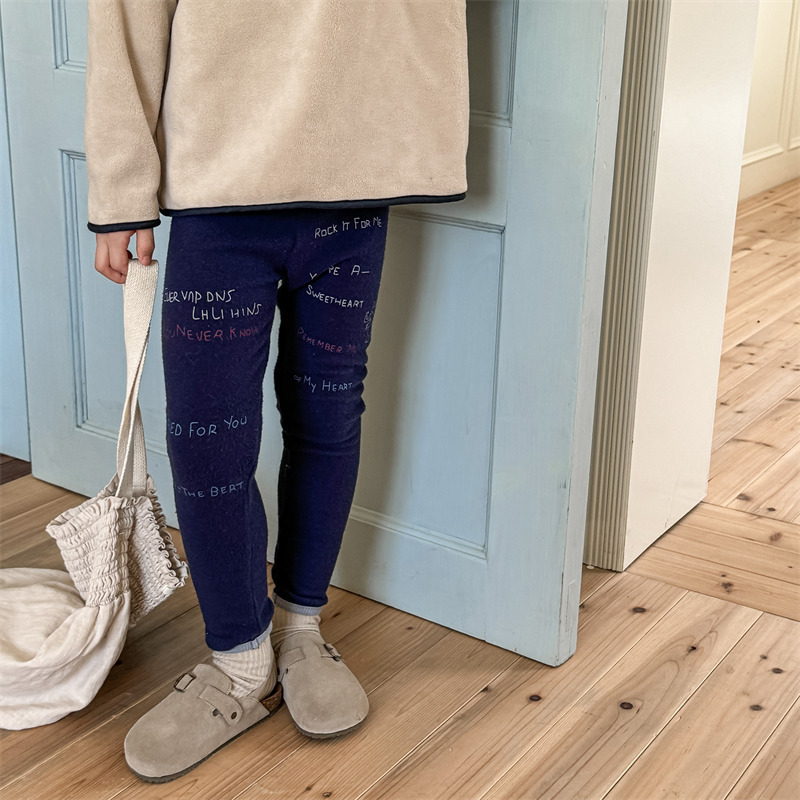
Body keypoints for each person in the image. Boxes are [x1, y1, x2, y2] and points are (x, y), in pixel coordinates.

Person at [85, 0, 469, 783]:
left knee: (329, 416)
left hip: (360, 170)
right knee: (207, 442)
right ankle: (239, 660)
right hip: (221, 177)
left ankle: (300, 626)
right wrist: (121, 185)